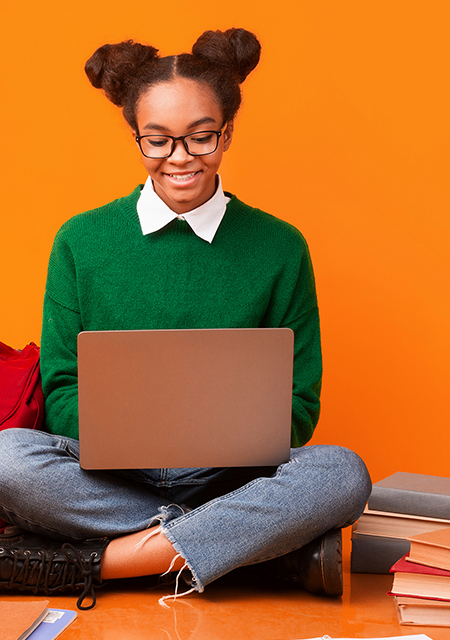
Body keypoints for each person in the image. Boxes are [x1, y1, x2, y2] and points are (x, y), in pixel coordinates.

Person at [0, 28, 371, 610]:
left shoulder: (280, 246)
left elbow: (299, 403)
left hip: (232, 476)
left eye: (201, 138)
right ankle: (250, 546)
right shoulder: (81, 240)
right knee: (8, 461)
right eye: (159, 141)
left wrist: (221, 443)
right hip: (111, 474)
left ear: (227, 132)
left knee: (342, 473)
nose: (180, 158)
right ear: (135, 137)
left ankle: (100, 563)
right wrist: (131, 439)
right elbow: (62, 389)